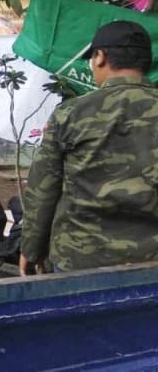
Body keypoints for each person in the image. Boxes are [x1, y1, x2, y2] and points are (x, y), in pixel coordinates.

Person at [20, 20, 158, 275]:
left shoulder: (70, 113)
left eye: (91, 59)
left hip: (80, 260)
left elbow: (43, 190)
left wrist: (31, 248)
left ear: (100, 57)